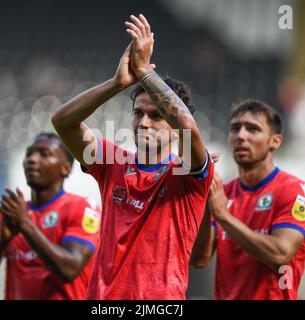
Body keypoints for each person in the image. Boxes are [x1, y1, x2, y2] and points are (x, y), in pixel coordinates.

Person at [51, 14, 214, 299]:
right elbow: (62, 122)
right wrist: (117, 83)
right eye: (138, 113)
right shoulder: (112, 163)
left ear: (172, 129)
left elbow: (187, 126)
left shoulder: (187, 174)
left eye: (156, 115)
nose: (144, 122)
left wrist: (145, 72)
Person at [190, 99, 305, 300]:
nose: (241, 136)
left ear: (275, 141)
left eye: (253, 129)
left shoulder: (295, 191)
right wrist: (205, 198)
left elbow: (280, 254)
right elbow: (199, 259)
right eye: (235, 128)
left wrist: (223, 216)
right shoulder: (224, 193)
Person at [0, 133, 101, 300]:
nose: (32, 159)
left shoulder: (81, 208)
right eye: (29, 154)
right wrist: (2, 240)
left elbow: (69, 270)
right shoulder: (11, 213)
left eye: (44, 154)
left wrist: (25, 224)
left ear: (66, 168)